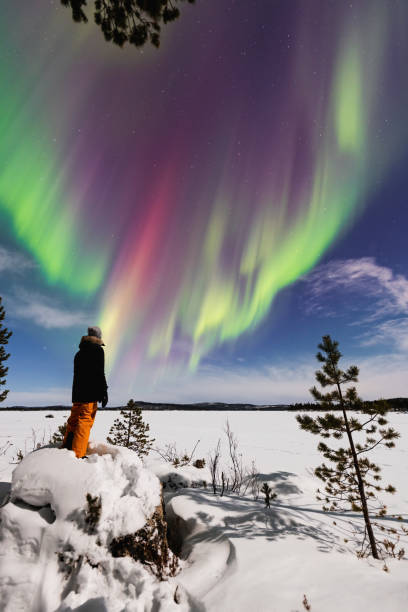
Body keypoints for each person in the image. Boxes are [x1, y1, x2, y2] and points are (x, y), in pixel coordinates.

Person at [62, 326, 108, 458]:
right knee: (85, 420)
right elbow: (99, 372)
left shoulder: (80, 352)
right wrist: (104, 391)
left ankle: (67, 446)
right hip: (90, 393)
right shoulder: (98, 350)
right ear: (98, 337)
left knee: (74, 420)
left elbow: (78, 375)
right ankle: (78, 454)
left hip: (77, 393)